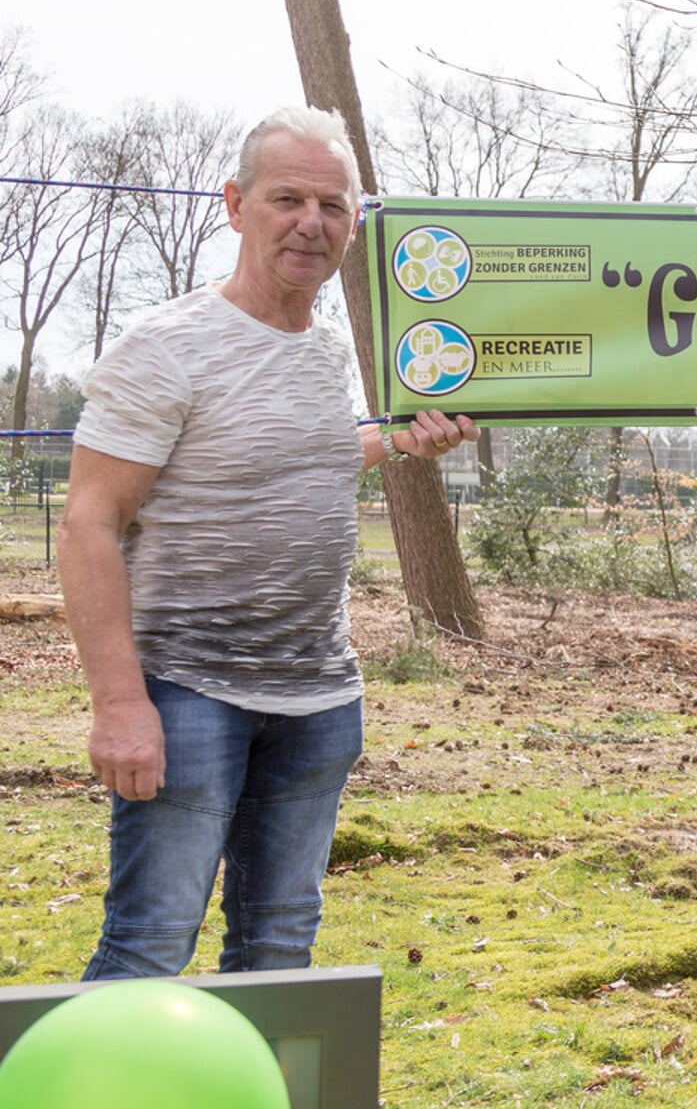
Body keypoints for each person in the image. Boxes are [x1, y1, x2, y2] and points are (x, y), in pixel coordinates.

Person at [57, 106, 478, 979]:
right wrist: (119, 704)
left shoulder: (329, 351)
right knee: (147, 946)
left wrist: (400, 439)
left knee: (280, 952)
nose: (309, 223)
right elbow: (88, 521)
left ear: (355, 224)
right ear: (234, 203)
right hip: (187, 696)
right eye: (287, 198)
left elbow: (294, 453)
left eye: (332, 206)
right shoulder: (165, 349)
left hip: (318, 700)